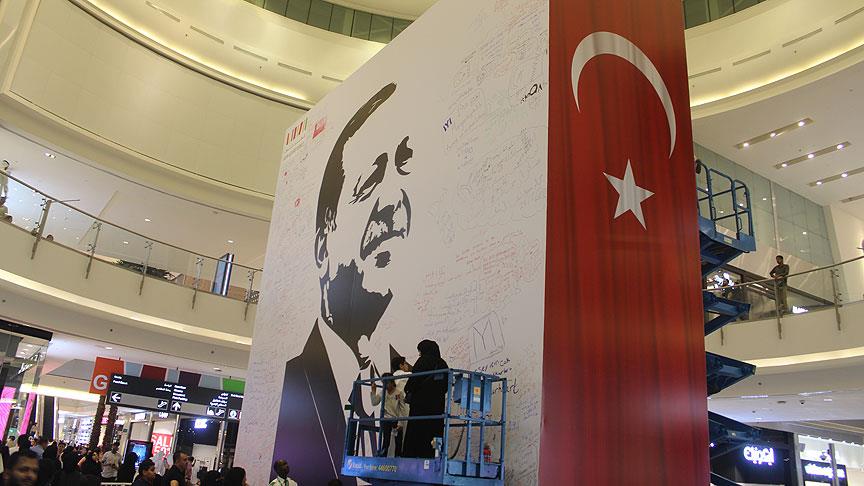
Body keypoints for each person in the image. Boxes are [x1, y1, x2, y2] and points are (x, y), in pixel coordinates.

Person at [273, 83, 418, 484]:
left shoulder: (405, 376)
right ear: (323, 245)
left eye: (403, 169)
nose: (395, 200)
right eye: (369, 181)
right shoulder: (297, 380)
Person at [402, 340, 449, 458]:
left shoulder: (423, 361)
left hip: (420, 406)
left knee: (417, 432)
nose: (419, 354)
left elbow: (413, 381)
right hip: (437, 407)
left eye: (420, 351)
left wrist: (408, 390)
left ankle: (413, 455)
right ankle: (434, 454)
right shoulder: (443, 363)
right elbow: (446, 386)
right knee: (434, 432)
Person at [371, 373, 409, 457]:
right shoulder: (383, 392)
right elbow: (374, 402)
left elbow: (402, 408)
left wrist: (400, 423)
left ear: (392, 382)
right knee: (386, 440)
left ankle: (398, 458)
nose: (385, 385)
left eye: (387, 383)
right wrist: (373, 391)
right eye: (383, 383)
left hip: (396, 419)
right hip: (386, 419)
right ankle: (383, 458)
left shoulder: (398, 393)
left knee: (398, 441)